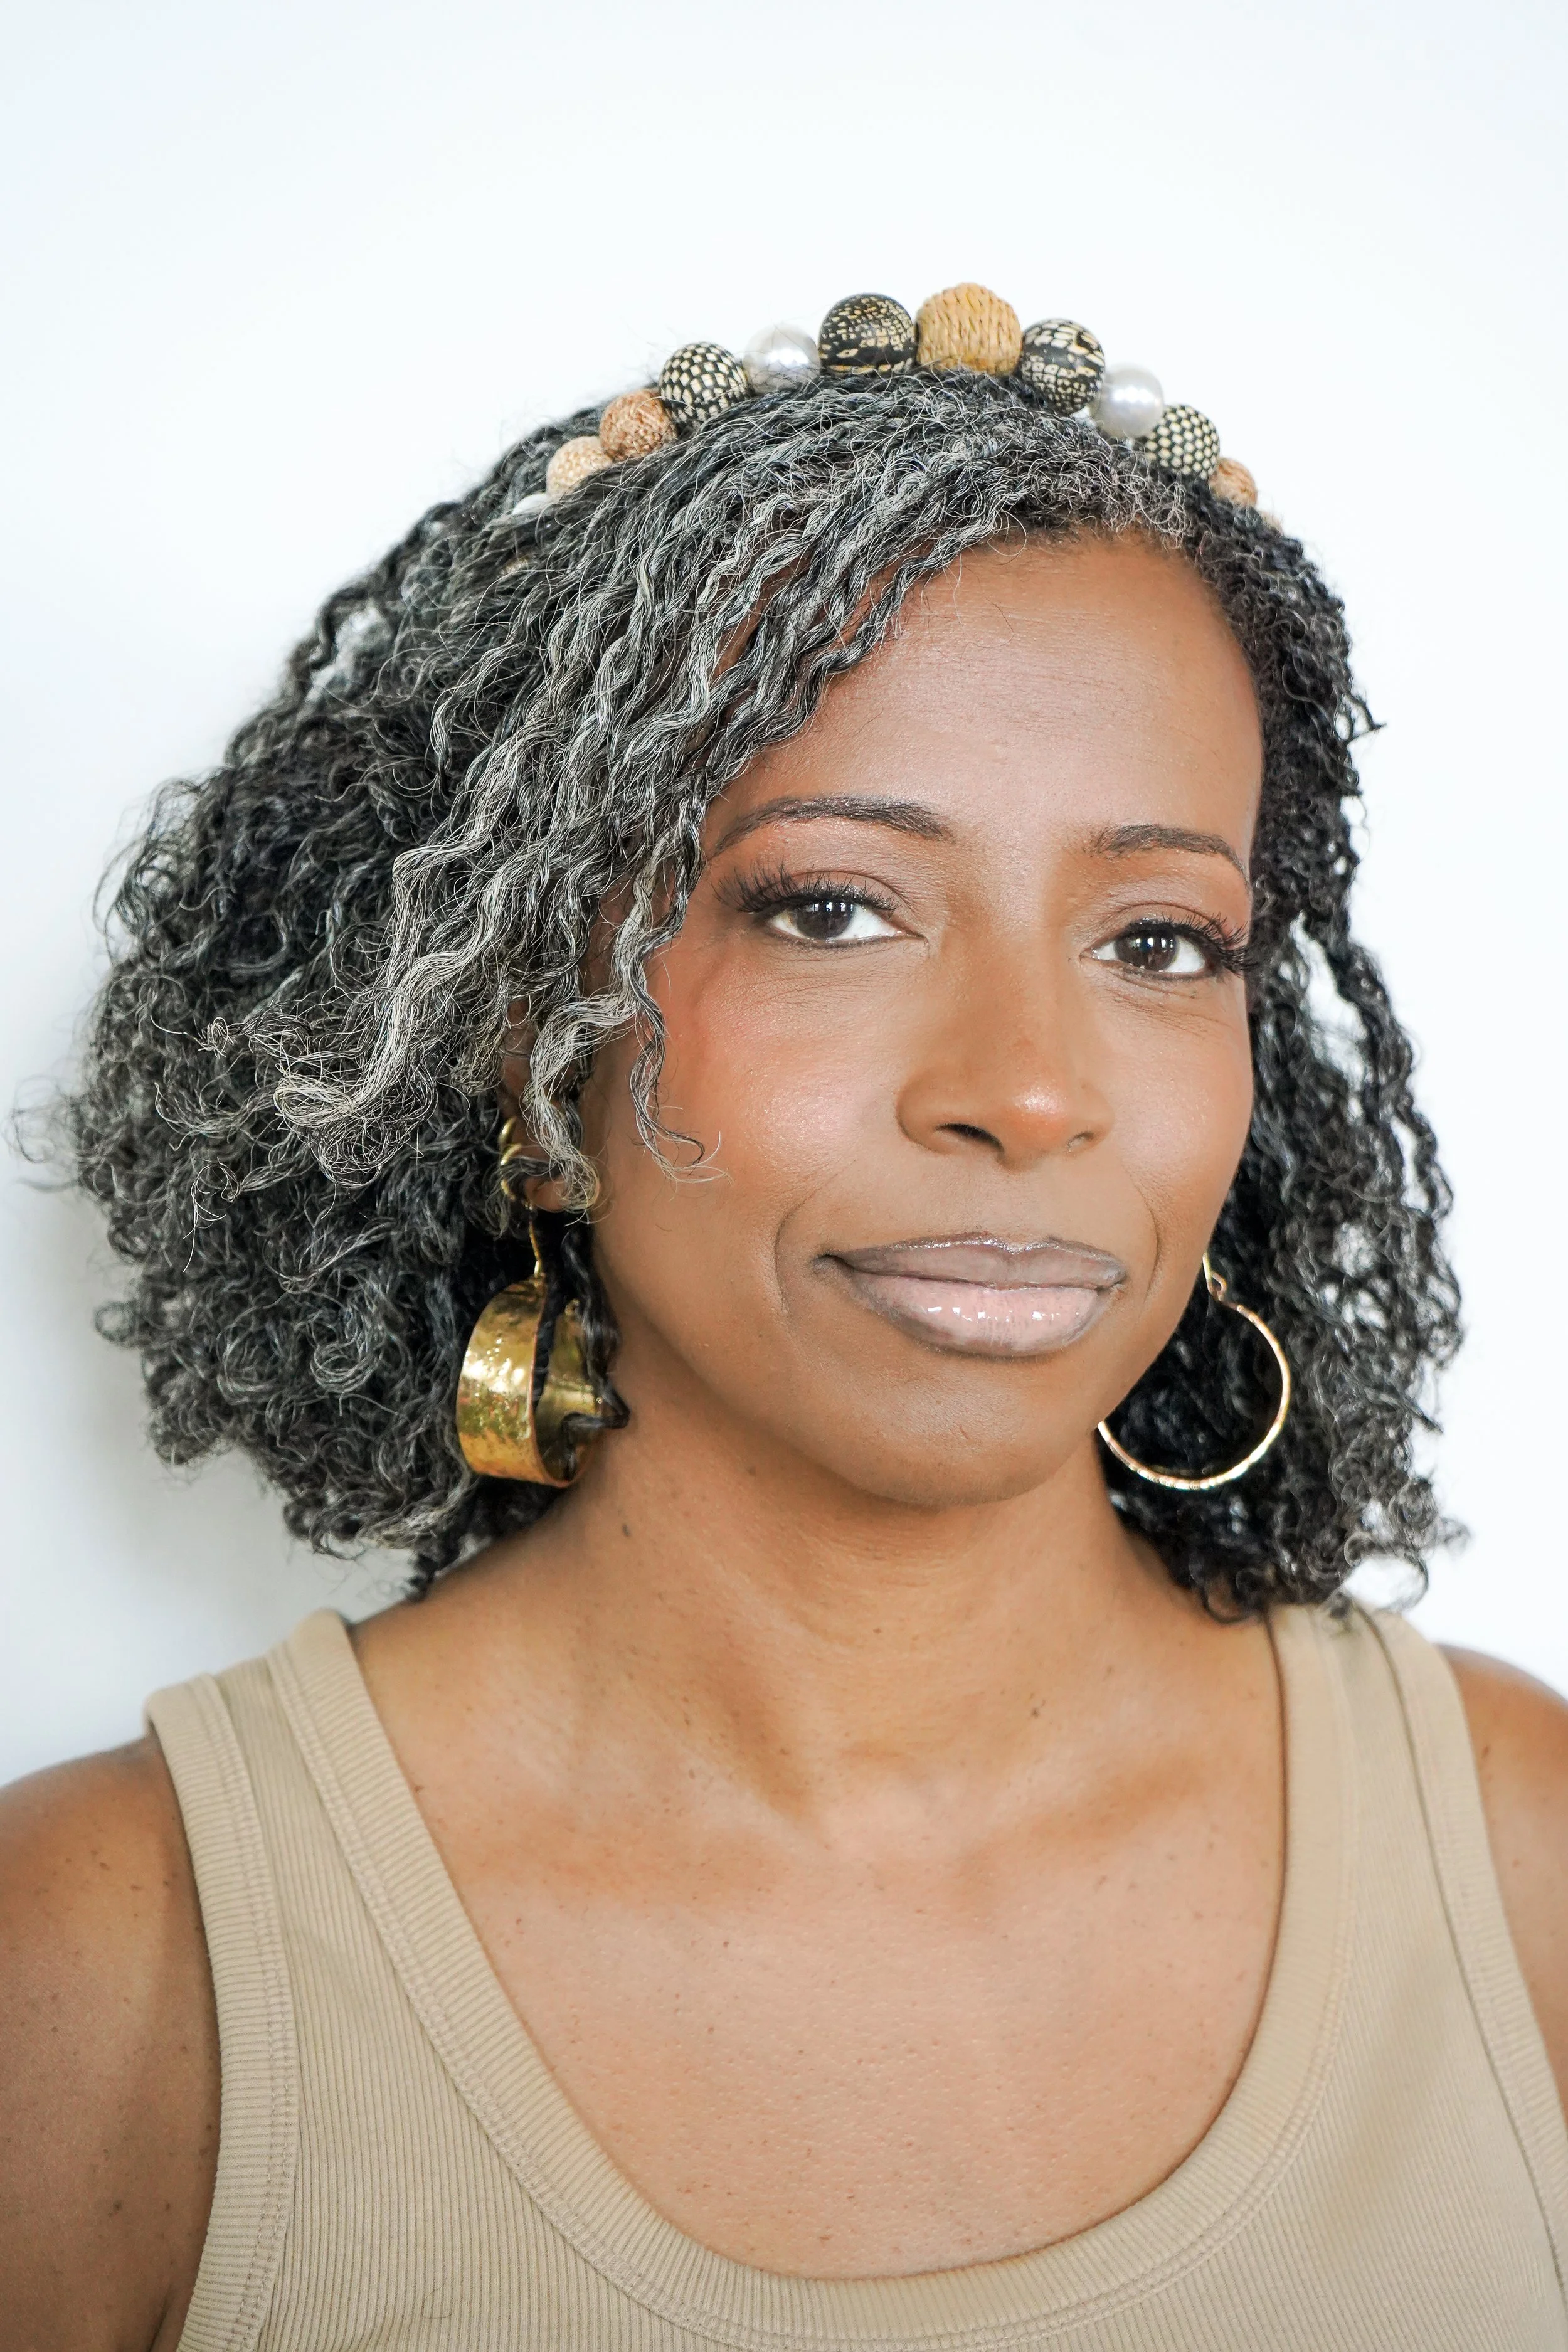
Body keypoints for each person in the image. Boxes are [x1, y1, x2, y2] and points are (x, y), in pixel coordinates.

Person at [3, 284, 1566, 2352]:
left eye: (1157, 940)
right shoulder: (105, 1970)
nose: (1029, 1089)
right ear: (530, 1044)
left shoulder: (1522, 1858)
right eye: (831, 907)